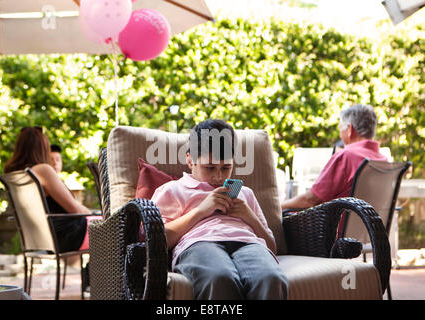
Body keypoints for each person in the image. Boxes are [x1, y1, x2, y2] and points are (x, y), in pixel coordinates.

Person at [151, 119, 288, 300]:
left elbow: (271, 247)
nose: (218, 176)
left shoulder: (245, 193)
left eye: (226, 168)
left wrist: (249, 216)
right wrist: (201, 211)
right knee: (219, 277)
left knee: (270, 278)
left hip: (248, 244)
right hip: (199, 244)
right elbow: (157, 241)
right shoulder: (173, 190)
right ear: (190, 160)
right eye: (210, 168)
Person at [281, 104, 388, 210]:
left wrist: (281, 205)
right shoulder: (383, 161)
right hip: (372, 226)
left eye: (340, 129)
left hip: (336, 226)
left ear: (350, 129)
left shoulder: (346, 157)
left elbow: (310, 200)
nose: (340, 135)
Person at [4, 127, 92, 253]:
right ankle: (98, 272)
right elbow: (76, 210)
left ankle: (90, 271)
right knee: (115, 229)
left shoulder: (15, 174)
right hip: (66, 236)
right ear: (42, 147)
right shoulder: (43, 170)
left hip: (43, 239)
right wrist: (96, 215)